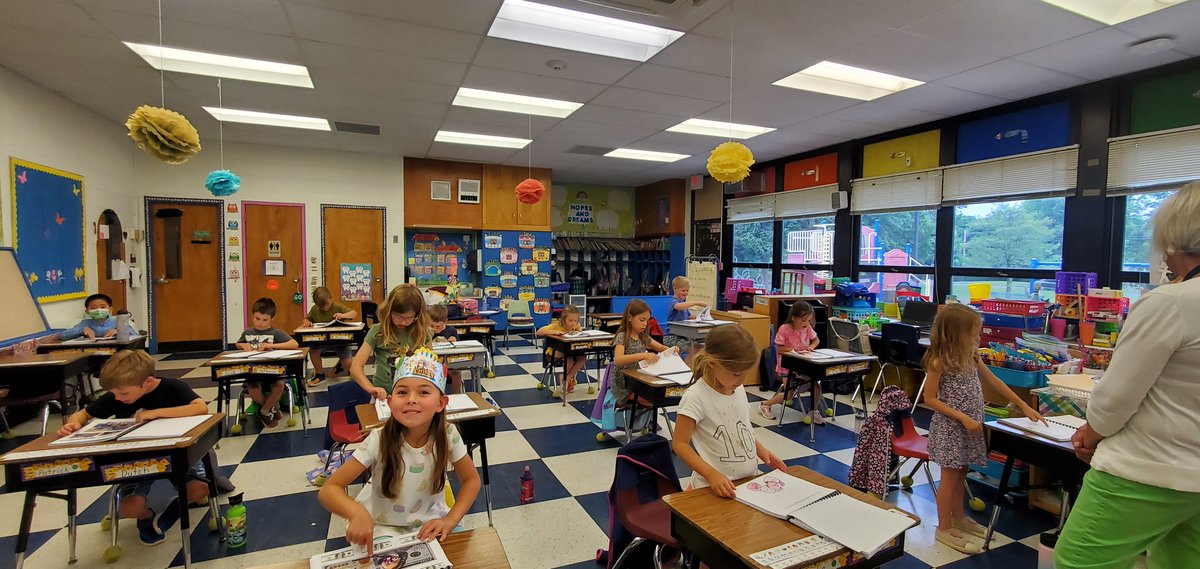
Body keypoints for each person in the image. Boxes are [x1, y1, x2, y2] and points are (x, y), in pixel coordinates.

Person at [1056, 183, 1200, 569]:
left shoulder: (1170, 302)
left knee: (1078, 562)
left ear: (1177, 238)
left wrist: (1091, 433)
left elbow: (1117, 397)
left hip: (1148, 467)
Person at [318, 348, 481, 544]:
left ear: (441, 403)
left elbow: (472, 481)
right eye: (402, 392)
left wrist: (451, 520)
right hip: (383, 525)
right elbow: (329, 489)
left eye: (423, 392)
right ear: (390, 402)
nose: (411, 399)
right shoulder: (378, 439)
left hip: (432, 521)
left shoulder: (448, 435)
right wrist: (356, 513)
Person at [922, 303, 1043, 553]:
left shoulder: (972, 356)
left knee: (962, 472)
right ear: (957, 334)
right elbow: (929, 399)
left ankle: (959, 516)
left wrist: (1024, 405)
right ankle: (944, 527)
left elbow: (994, 380)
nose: (978, 337)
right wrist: (961, 417)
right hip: (950, 429)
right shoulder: (939, 361)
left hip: (970, 427)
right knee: (949, 477)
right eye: (974, 333)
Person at [57, 350, 209, 546]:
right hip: (137, 460)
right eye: (114, 394)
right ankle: (146, 516)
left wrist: (157, 413)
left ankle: (168, 512)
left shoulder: (172, 387)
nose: (118, 398)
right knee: (129, 508)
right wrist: (73, 424)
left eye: (123, 393)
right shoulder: (117, 395)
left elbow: (200, 408)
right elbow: (83, 414)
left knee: (199, 489)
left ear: (148, 382)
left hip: (175, 454)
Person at [672, 325, 787, 496]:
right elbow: (680, 444)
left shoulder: (736, 388)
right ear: (713, 364)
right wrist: (711, 474)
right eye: (736, 374)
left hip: (745, 484)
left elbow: (742, 430)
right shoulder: (695, 397)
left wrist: (763, 453)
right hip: (712, 488)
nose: (741, 381)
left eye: (745, 374)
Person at [352, 284, 433, 401]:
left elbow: (431, 365)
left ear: (417, 315)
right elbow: (356, 367)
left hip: (414, 395)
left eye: (408, 318)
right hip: (383, 395)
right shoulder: (378, 331)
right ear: (389, 311)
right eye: (398, 316)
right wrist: (371, 388)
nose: (403, 322)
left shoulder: (423, 332)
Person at [235, 297, 299, 427]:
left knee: (279, 386)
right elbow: (238, 343)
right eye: (257, 319)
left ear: (271, 319)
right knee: (253, 389)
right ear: (252, 316)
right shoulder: (248, 332)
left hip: (273, 373)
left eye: (265, 320)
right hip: (253, 374)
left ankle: (264, 411)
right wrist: (242, 345)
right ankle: (272, 408)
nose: (261, 323)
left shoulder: (276, 333)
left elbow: (294, 344)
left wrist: (272, 346)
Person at [759, 302, 823, 423]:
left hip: (803, 364)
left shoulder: (807, 328)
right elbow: (778, 348)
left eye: (809, 320)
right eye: (803, 320)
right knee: (788, 395)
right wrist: (790, 350)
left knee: (816, 386)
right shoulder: (784, 329)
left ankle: (814, 411)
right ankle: (765, 404)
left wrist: (811, 347)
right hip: (786, 367)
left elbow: (816, 340)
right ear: (793, 317)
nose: (806, 323)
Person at [611, 299, 670, 410]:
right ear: (629, 318)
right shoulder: (622, 336)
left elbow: (660, 348)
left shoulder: (643, 336)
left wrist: (671, 350)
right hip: (625, 383)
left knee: (657, 396)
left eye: (647, 321)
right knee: (651, 399)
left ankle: (646, 419)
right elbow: (618, 359)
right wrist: (643, 355)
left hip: (639, 378)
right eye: (642, 320)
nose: (645, 324)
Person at [302, 287, 358, 387]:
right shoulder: (315, 309)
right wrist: (307, 322)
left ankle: (343, 366)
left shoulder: (337, 307)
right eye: (321, 306)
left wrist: (343, 315)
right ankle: (320, 374)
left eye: (327, 304)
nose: (325, 308)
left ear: (331, 298)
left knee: (348, 363)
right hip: (322, 340)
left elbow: (354, 313)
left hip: (340, 340)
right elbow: (306, 318)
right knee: (313, 350)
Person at [536, 305, 585, 395]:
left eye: (575, 320)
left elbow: (580, 335)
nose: (573, 323)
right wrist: (555, 332)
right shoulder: (556, 325)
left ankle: (567, 378)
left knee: (582, 358)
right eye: (570, 320)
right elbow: (539, 332)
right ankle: (565, 381)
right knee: (569, 358)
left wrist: (579, 332)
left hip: (572, 351)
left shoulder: (577, 325)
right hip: (554, 353)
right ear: (564, 319)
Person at [59, 293, 137, 340]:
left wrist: (119, 332)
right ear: (87, 311)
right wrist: (81, 330)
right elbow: (63, 335)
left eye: (103, 307)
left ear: (110, 309)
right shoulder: (85, 323)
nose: (98, 310)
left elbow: (135, 335)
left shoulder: (118, 321)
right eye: (93, 308)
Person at [662, 276, 708, 353]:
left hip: (683, 336)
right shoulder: (674, 301)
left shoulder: (683, 303)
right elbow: (678, 307)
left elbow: (689, 316)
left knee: (699, 347)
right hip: (671, 337)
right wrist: (696, 303)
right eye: (683, 290)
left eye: (687, 290)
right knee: (692, 349)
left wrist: (700, 317)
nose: (686, 293)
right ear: (675, 289)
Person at [428, 304, 463, 394]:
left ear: (445, 321)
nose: (434, 329)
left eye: (437, 326)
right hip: (432, 362)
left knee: (457, 373)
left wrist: (454, 341)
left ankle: (455, 395)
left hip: (449, 362)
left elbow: (459, 348)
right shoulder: (426, 331)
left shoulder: (451, 330)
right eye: (431, 325)